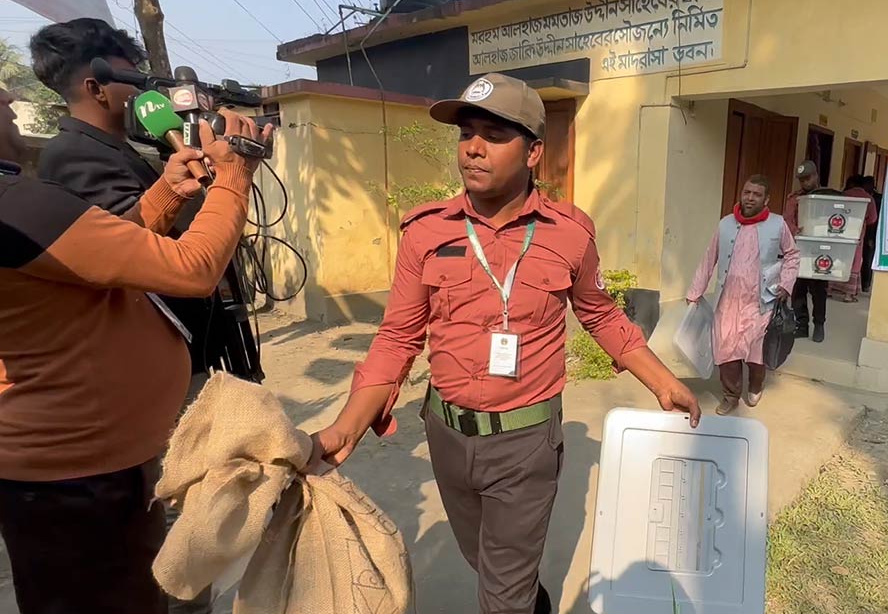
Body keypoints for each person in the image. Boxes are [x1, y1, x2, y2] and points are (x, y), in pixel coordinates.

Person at [306, 73, 701, 614]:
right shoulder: (426, 231)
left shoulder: (569, 233)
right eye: (467, 134)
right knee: (488, 564)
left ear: (534, 151)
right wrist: (347, 426)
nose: (472, 148)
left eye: (494, 135)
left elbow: (600, 313)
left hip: (524, 444)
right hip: (445, 435)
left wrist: (664, 382)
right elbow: (398, 335)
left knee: (502, 594)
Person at [0, 89, 271, 614]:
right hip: (77, 480)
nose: (9, 95)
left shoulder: (19, 207)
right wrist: (236, 172)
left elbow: (102, 254)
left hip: (75, 474)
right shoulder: (18, 204)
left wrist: (166, 197)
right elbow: (192, 269)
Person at [30, 18, 218, 614]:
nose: (142, 94)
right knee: (179, 510)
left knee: (192, 503)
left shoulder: (118, 150)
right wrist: (219, 181)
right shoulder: (72, 158)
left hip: (181, 350)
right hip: (137, 373)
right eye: (132, 81)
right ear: (98, 85)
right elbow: (146, 257)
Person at [687, 175, 800, 415]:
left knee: (754, 349)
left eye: (756, 194)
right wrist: (694, 292)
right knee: (727, 348)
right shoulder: (725, 224)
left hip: (761, 300)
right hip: (728, 300)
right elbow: (710, 258)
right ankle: (730, 395)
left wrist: (786, 284)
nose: (750, 198)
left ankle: (756, 384)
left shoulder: (778, 225)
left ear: (766, 199)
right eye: (747, 192)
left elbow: (792, 255)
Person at [784, 160, 837, 343]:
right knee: (798, 288)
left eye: (808, 178)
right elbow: (787, 220)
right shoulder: (794, 198)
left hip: (821, 249)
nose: (805, 183)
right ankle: (802, 325)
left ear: (816, 176)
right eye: (802, 180)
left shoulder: (828, 197)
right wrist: (794, 229)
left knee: (819, 289)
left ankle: (819, 324)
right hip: (799, 248)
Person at [829, 175, 878, 302]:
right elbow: (873, 218)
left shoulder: (843, 195)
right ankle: (848, 294)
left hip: (839, 230)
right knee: (855, 260)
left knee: (837, 257)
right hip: (857, 233)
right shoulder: (869, 198)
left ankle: (829, 289)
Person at [861, 175, 883, 293]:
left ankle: (866, 283)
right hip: (861, 231)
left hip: (872, 232)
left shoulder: (878, 199)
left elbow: (877, 219)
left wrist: (873, 237)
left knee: (868, 259)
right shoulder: (864, 197)